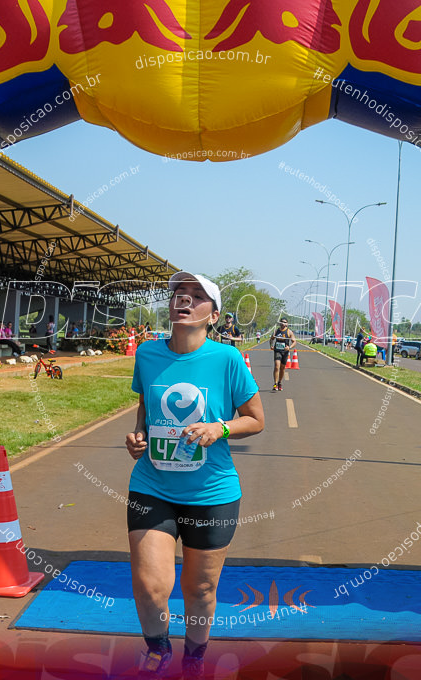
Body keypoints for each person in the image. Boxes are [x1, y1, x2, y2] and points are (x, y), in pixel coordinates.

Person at [124, 271, 264, 679]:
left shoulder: (227, 360)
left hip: (212, 492)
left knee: (199, 590)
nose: (183, 300)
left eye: (197, 295)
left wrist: (218, 428)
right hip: (152, 486)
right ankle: (159, 649)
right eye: (179, 294)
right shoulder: (148, 354)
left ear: (213, 315)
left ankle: (195, 656)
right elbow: (145, 410)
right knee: (151, 586)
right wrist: (138, 437)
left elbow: (255, 420)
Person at [270, 317, 296, 392]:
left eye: (285, 322)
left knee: (282, 368)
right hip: (277, 350)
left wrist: (289, 347)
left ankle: (279, 382)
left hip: (285, 352)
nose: (283, 323)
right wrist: (271, 346)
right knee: (277, 366)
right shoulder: (276, 331)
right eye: (282, 322)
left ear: (287, 324)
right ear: (280, 323)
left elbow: (294, 341)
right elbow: (271, 339)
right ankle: (275, 383)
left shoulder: (289, 332)